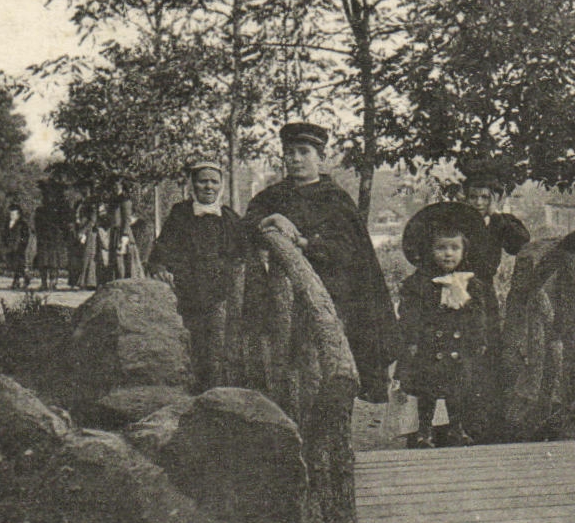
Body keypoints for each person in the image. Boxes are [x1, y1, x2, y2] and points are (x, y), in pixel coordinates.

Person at [245, 122, 400, 404]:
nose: (295, 159)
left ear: (320, 158)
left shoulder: (335, 198)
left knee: (325, 366)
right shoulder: (272, 196)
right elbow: (246, 225)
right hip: (282, 295)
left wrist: (306, 244)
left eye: (304, 152)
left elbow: (348, 249)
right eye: (289, 152)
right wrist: (271, 219)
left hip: (333, 292)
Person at [150, 161, 246, 391]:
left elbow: (244, 250)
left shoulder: (230, 218)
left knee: (218, 345)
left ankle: (214, 391)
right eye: (203, 181)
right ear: (193, 185)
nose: (208, 187)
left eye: (214, 182)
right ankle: (189, 391)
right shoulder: (181, 213)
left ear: (221, 185)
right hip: (187, 289)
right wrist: (160, 266)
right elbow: (164, 245)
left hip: (219, 291)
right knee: (192, 340)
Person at [397, 220, 493, 448]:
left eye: (454, 248)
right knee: (427, 389)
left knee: (457, 388)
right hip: (429, 346)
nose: (447, 254)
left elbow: (479, 314)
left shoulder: (471, 283)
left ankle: (457, 428)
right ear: (430, 250)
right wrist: (411, 339)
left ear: (463, 251)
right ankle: (424, 430)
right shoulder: (419, 283)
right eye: (441, 248)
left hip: (458, 346)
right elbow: (409, 314)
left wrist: (478, 338)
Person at [460, 159, 531, 286]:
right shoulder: (459, 221)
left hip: (485, 287)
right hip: (458, 286)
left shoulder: (500, 222)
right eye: (473, 197)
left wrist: (495, 214)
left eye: (485, 197)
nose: (478, 203)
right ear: (466, 198)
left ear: (495, 199)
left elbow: (520, 245)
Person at [32, 182, 68, 291]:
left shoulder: (59, 210)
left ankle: (52, 281)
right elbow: (36, 224)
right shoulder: (40, 210)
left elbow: (63, 224)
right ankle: (45, 282)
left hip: (53, 237)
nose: (47, 198)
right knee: (44, 260)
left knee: (53, 260)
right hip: (44, 237)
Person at [2, 201, 31, 290]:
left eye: (14, 214)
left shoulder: (22, 224)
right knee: (14, 265)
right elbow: (4, 234)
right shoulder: (7, 224)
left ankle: (20, 280)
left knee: (19, 265)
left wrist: (22, 245)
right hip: (10, 247)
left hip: (19, 247)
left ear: (18, 215)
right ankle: (21, 279)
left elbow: (25, 236)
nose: (12, 216)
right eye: (11, 214)